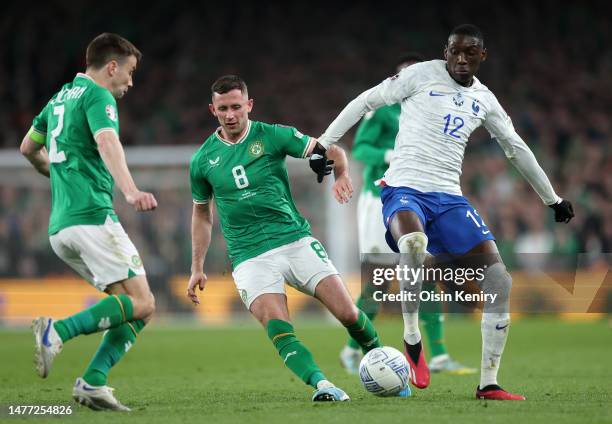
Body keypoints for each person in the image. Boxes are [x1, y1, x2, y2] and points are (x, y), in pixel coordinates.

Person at [315, 24, 574, 400]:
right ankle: (412, 337)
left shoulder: (485, 99)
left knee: (500, 281)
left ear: (482, 56)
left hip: (449, 197)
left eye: (470, 52)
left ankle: (488, 383)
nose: (461, 59)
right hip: (403, 188)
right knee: (415, 242)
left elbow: (516, 148)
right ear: (446, 51)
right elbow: (365, 101)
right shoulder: (420, 75)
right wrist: (324, 143)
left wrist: (552, 198)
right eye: (455, 51)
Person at [187, 75, 404, 402]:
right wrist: (197, 266)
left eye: (235, 106)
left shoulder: (274, 135)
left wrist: (341, 174)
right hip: (249, 256)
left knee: (347, 314)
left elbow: (333, 151)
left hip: (295, 241)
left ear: (249, 105)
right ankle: (322, 385)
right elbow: (202, 214)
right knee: (278, 325)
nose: (230, 114)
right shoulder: (203, 160)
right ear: (212, 110)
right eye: (222, 109)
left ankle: (384, 363)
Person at [20, 33, 158, 411]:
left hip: (60, 228)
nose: (130, 82)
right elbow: (107, 140)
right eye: (129, 72)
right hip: (93, 218)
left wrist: (55, 171)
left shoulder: (59, 98)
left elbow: (28, 148)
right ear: (111, 66)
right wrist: (129, 191)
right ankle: (57, 331)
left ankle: (93, 383)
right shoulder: (98, 96)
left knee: (132, 305)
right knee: (144, 303)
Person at [340, 52, 476, 376]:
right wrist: (392, 152)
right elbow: (359, 149)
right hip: (379, 201)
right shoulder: (383, 110)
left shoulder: (433, 110)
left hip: (419, 201)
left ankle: (439, 354)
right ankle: (352, 348)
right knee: (379, 279)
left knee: (424, 273)